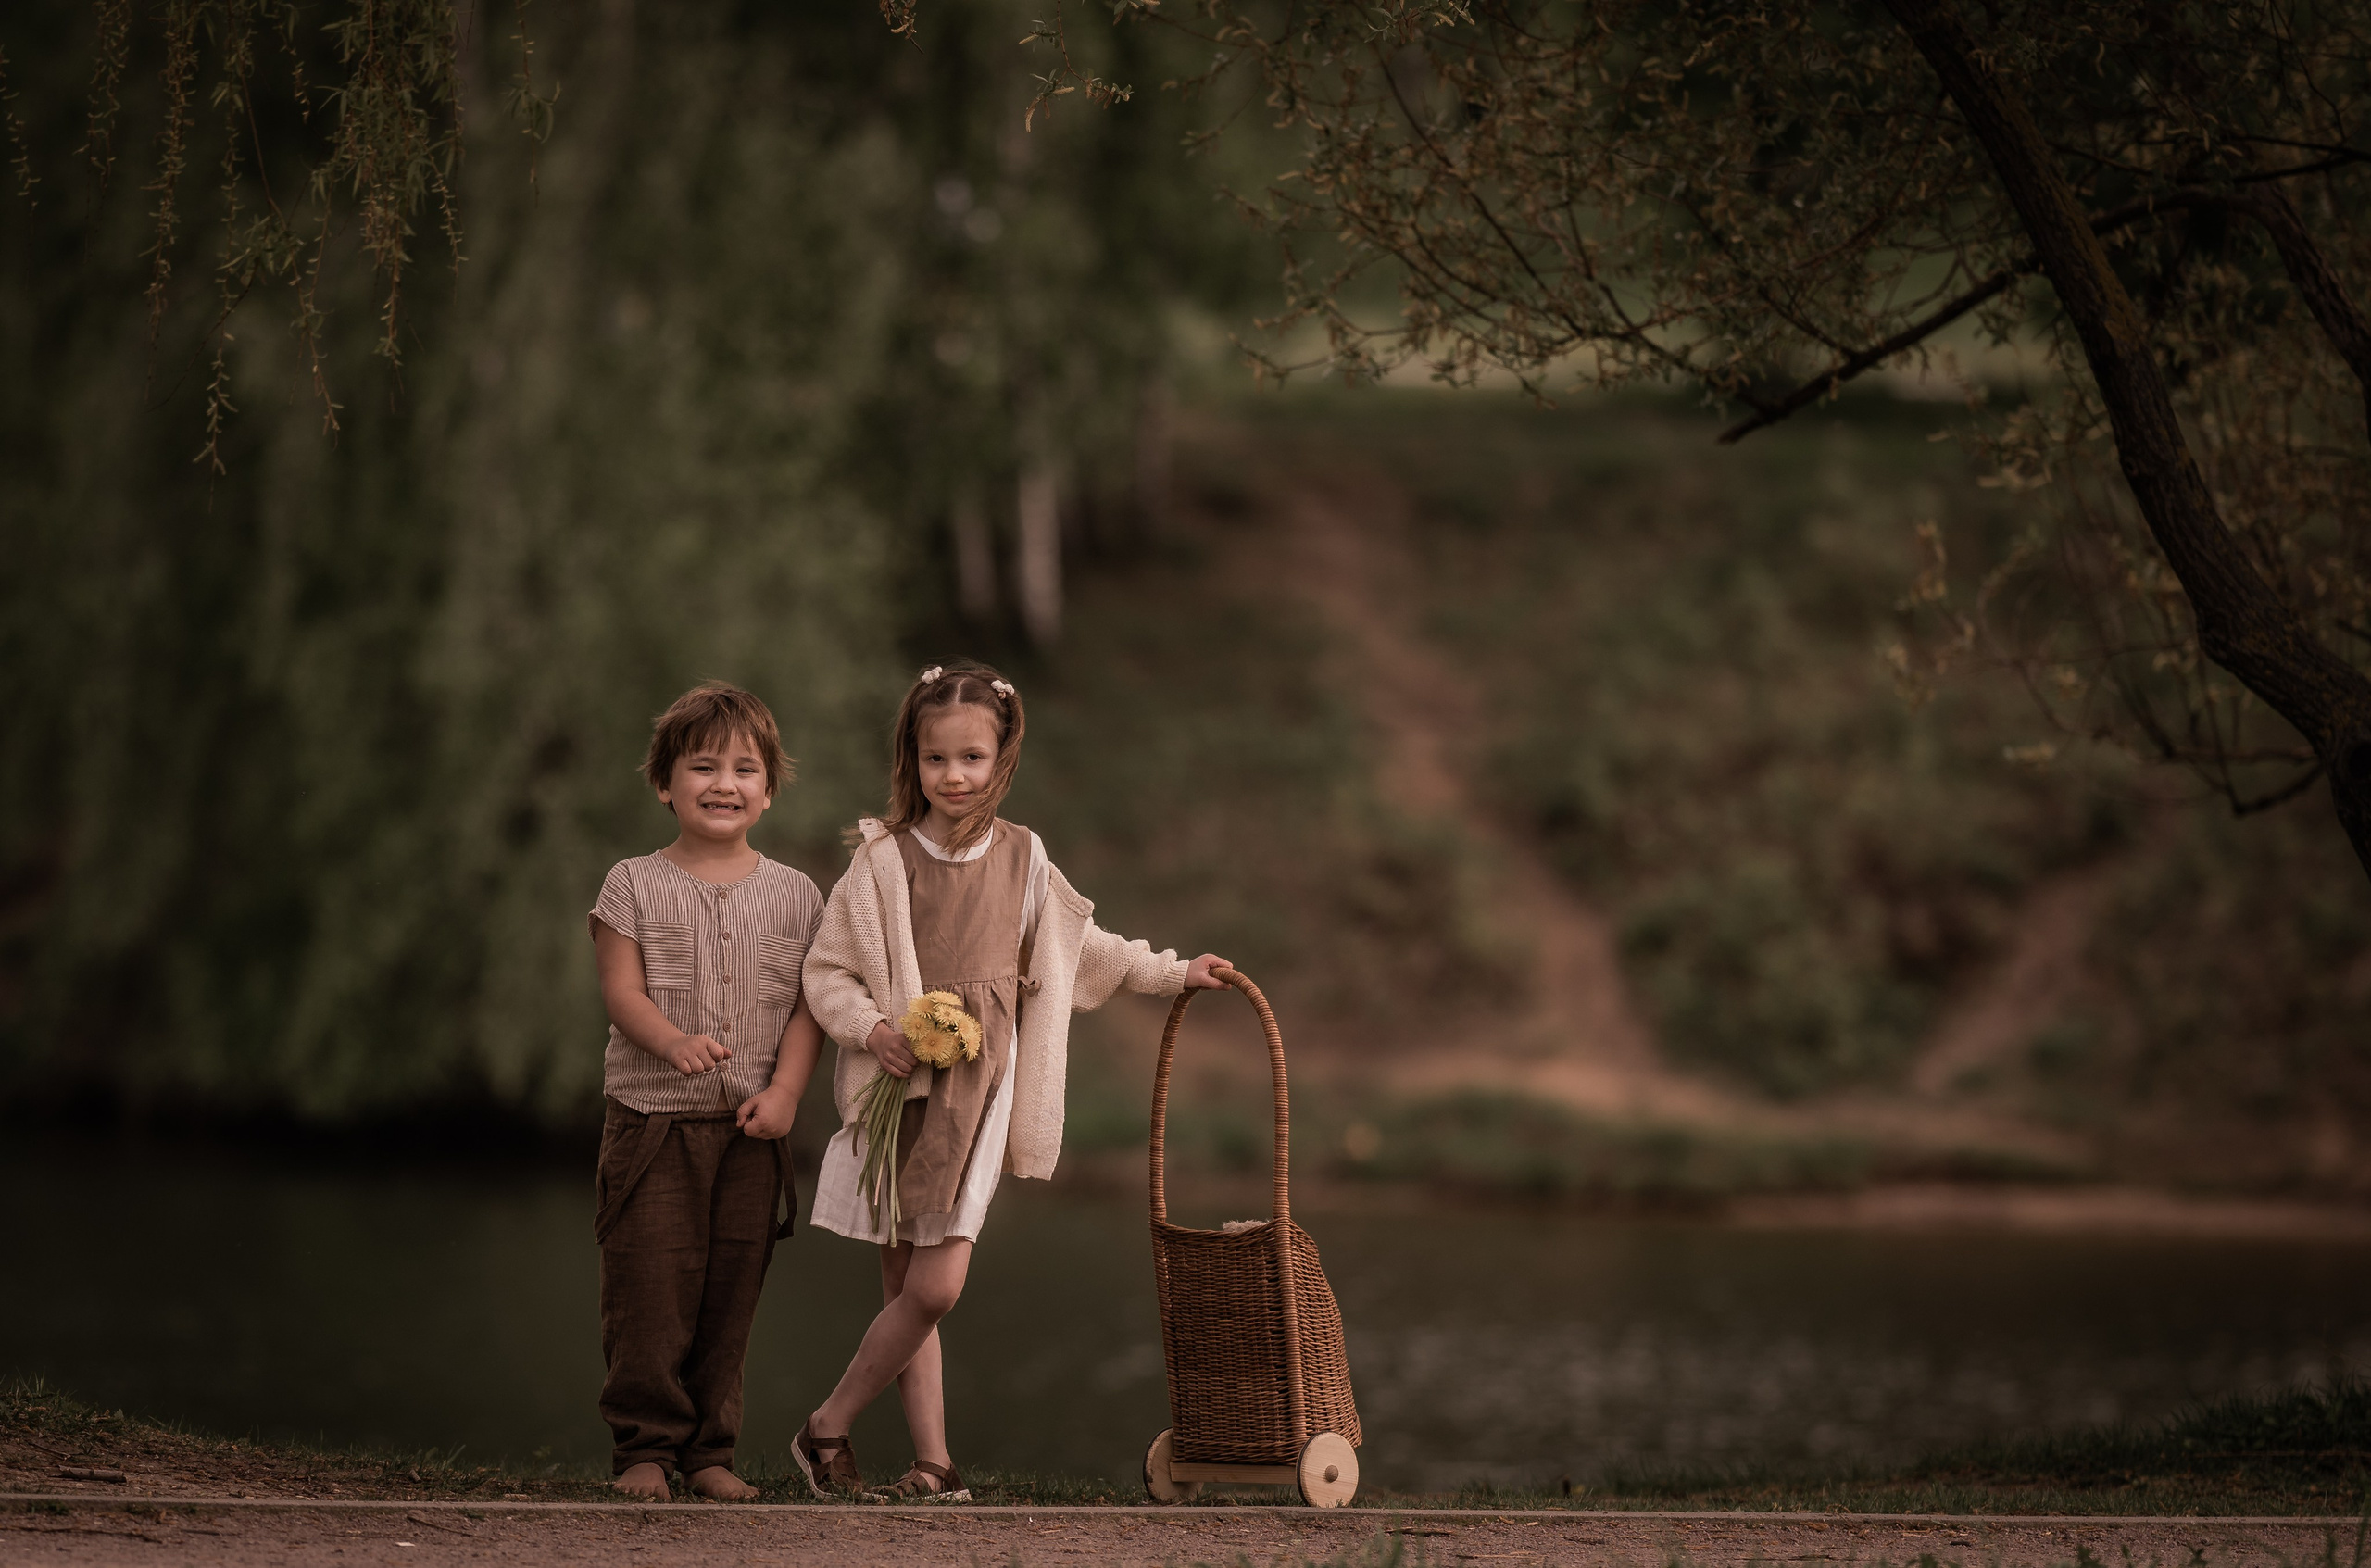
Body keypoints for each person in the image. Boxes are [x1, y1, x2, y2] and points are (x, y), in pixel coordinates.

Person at [795, 661, 1229, 1501]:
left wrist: (1176, 972)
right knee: (906, 1291)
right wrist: (873, 1029)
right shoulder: (883, 861)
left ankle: (826, 1425)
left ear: (1003, 757)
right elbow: (828, 970)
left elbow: (1086, 949)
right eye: (935, 759)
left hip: (981, 1090)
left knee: (936, 1286)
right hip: (902, 1090)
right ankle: (934, 1463)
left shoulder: (1024, 857)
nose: (953, 776)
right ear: (910, 759)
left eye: (971, 758)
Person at [587, 683, 826, 1502]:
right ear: (665, 783)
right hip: (653, 1125)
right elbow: (621, 993)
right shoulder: (631, 884)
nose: (725, 783)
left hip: (750, 1130)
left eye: (745, 768)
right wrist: (672, 1040)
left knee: (731, 1292)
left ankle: (709, 1452)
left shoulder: (798, 895)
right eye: (703, 766)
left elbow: (809, 1007)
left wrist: (789, 1092)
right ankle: (646, 1449)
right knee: (651, 1290)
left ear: (768, 788)